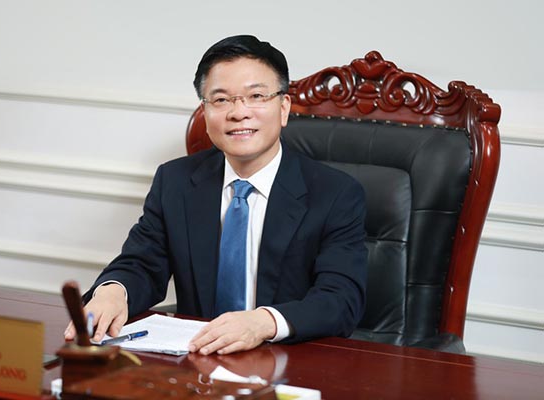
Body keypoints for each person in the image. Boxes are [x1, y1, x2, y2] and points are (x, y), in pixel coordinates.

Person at [65, 35, 367, 355]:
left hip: (290, 360)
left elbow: (341, 299)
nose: (238, 113)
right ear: (205, 111)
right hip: (199, 360)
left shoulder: (336, 193)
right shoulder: (176, 181)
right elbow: (142, 263)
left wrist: (264, 322)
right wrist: (114, 291)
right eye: (221, 100)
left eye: (256, 96)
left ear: (283, 108)